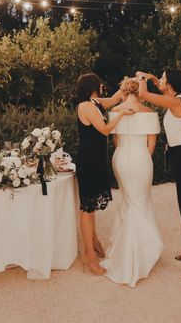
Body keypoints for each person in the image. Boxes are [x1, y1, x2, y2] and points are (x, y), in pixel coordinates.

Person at [136, 69, 181, 282]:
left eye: (164, 77)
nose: (161, 79)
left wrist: (141, 78)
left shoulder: (176, 102)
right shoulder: (175, 99)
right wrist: (152, 78)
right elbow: (159, 85)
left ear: (171, 84)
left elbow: (143, 95)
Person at [100, 77, 163, 287]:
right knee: (140, 199)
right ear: (139, 91)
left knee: (128, 200)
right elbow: (151, 146)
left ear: (124, 92)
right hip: (141, 158)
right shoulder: (150, 113)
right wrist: (143, 158)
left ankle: (124, 248)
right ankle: (144, 249)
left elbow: (116, 141)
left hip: (121, 157)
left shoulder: (115, 111)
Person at [75, 73, 134, 275]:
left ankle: (94, 242)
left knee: (91, 206)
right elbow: (105, 129)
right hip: (89, 161)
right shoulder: (85, 106)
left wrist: (128, 82)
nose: (102, 87)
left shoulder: (96, 102)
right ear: (93, 86)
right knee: (87, 208)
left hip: (96, 159)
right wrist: (122, 114)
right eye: (100, 84)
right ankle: (88, 256)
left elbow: (115, 98)